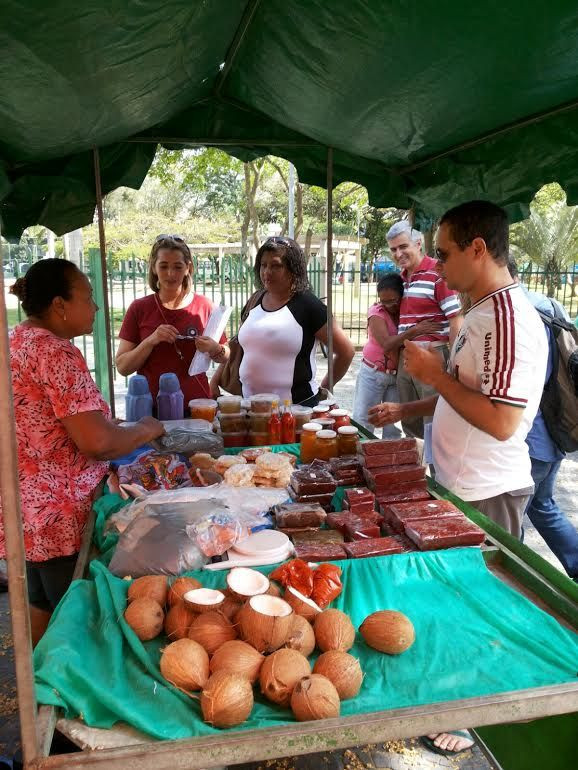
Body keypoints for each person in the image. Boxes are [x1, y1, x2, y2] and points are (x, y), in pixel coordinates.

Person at [370, 201, 549, 756]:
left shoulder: (510, 318)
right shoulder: (481, 310)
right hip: (459, 481)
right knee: (451, 600)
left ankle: (473, 714)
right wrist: (413, 408)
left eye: (444, 252)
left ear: (478, 248)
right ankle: (457, 697)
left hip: (488, 490)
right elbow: (468, 394)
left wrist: (429, 374)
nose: (437, 265)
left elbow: (500, 420)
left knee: (476, 608)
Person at [2, 259, 164, 644]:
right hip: (59, 514)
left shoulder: (15, 340)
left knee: (39, 602)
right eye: (88, 297)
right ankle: (66, 689)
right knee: (75, 616)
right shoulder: (57, 354)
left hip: (23, 510)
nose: (94, 307)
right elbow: (98, 442)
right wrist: (146, 428)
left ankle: (44, 682)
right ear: (59, 305)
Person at [508, 260, 578, 580]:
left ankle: (514, 580)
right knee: (542, 505)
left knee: (513, 516)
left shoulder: (517, 314)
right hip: (558, 425)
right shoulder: (549, 303)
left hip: (532, 436)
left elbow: (527, 385)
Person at [227, 236, 354, 404]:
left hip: (296, 411)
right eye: (263, 265)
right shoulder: (255, 300)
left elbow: (346, 352)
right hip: (251, 408)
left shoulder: (308, 305)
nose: (267, 272)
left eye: (276, 265)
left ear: (293, 269)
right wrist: (215, 381)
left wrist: (325, 388)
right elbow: (238, 346)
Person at [116, 235, 228, 406]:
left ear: (188, 268)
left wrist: (215, 348)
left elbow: (226, 355)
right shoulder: (139, 308)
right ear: (153, 268)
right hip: (151, 410)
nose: (170, 274)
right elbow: (123, 367)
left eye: (177, 266)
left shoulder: (205, 306)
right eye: (163, 266)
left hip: (197, 408)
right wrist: (150, 341)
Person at [386, 221, 462, 439]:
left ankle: (436, 472)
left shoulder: (437, 273)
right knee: (410, 422)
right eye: (393, 249)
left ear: (418, 244)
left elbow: (456, 318)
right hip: (406, 357)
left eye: (403, 246)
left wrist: (453, 363)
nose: (398, 253)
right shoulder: (402, 279)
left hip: (433, 354)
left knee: (434, 422)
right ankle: (418, 471)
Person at [352, 272, 443, 437]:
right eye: (383, 301)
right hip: (373, 373)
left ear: (402, 296)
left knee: (392, 425)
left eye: (392, 301)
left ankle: (390, 459)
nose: (388, 305)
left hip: (395, 376)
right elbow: (387, 344)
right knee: (363, 419)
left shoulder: (406, 312)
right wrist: (414, 331)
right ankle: (360, 455)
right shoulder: (376, 312)